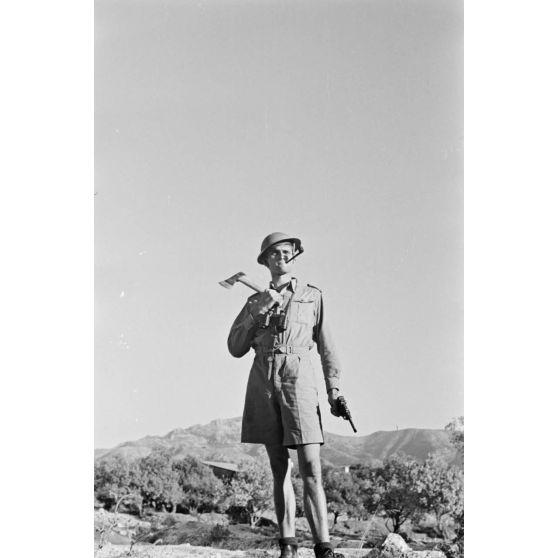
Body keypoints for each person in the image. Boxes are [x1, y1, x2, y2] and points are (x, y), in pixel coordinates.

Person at [227, 232, 345, 558]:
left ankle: (324, 547)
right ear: (265, 261)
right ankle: (288, 546)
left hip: (300, 381)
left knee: (311, 467)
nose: (281, 257)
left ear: (294, 256)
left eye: (286, 251)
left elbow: (327, 347)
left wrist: (333, 389)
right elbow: (235, 347)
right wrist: (257, 310)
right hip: (263, 384)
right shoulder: (254, 301)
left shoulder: (312, 296)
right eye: (274, 253)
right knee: (279, 468)